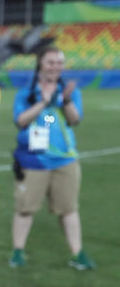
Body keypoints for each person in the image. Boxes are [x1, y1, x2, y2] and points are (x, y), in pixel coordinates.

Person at [9, 46, 93, 271]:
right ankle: (18, 251)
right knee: (26, 208)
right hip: (32, 159)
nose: (56, 67)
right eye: (51, 62)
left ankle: (77, 254)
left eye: (59, 62)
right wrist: (43, 102)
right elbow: (21, 121)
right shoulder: (26, 91)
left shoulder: (70, 90)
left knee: (68, 208)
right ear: (40, 63)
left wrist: (65, 101)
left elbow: (75, 120)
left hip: (64, 159)